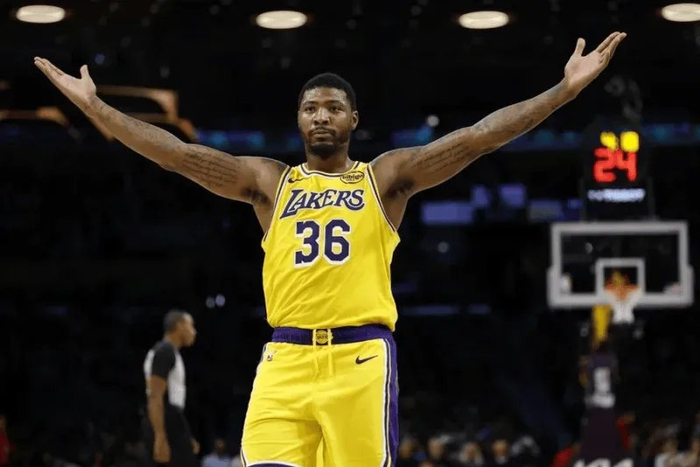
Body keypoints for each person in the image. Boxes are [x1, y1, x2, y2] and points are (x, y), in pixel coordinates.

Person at [34, 30, 626, 465]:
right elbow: (178, 155)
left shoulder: (384, 178)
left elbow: (476, 139)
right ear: (299, 119)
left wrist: (561, 92)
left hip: (360, 360)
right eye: (311, 108)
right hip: (284, 361)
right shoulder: (269, 182)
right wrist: (95, 107)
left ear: (353, 120)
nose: (322, 116)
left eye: (334, 108)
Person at [142, 310, 199, 467]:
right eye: (191, 326)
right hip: (164, 419)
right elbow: (155, 395)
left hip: (170, 420)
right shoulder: (164, 351)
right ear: (179, 326)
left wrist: (185, 435)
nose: (194, 332)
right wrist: (160, 435)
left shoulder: (170, 352)